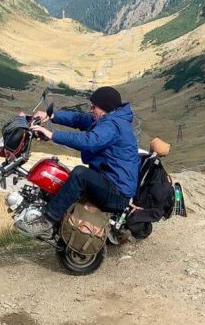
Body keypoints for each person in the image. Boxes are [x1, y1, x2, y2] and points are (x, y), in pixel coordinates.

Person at [22, 86, 139, 237]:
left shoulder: (113, 125)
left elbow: (90, 141)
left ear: (104, 108)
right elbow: (79, 119)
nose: (90, 109)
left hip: (117, 192)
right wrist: (51, 116)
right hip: (110, 181)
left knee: (80, 174)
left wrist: (52, 135)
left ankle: (46, 222)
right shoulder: (109, 117)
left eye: (93, 106)